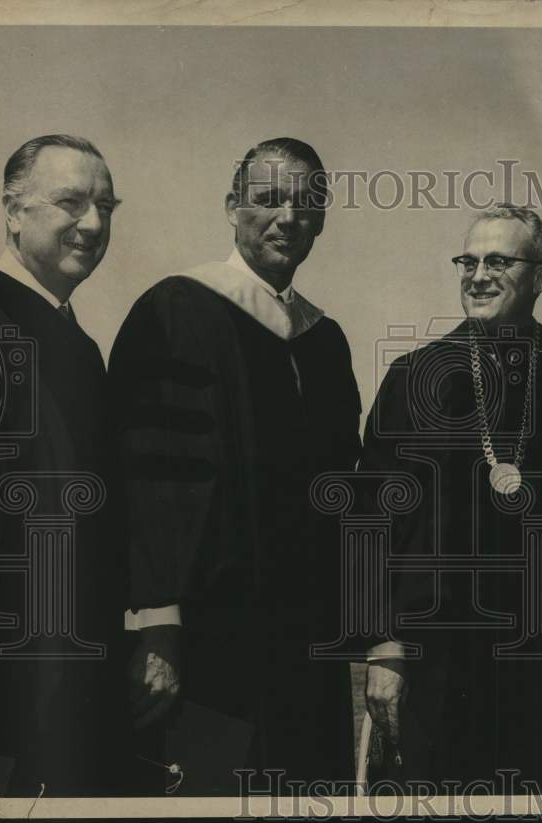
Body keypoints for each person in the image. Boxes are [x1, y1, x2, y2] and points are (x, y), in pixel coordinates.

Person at [107, 137, 360, 793]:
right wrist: (157, 624)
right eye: (267, 199)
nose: (286, 217)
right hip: (209, 643)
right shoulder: (179, 309)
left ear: (323, 217)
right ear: (231, 207)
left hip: (306, 649)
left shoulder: (324, 341)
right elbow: (150, 476)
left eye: (305, 203)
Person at [360, 205, 542, 794]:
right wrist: (383, 645)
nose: (477, 275)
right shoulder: (412, 379)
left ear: (541, 277)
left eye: (498, 261)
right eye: (469, 260)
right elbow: (373, 520)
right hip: (432, 662)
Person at [0, 134, 130, 795]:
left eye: (106, 205)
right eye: (70, 202)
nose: (93, 224)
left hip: (73, 680)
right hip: (1, 685)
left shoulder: (79, 343)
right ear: (13, 211)